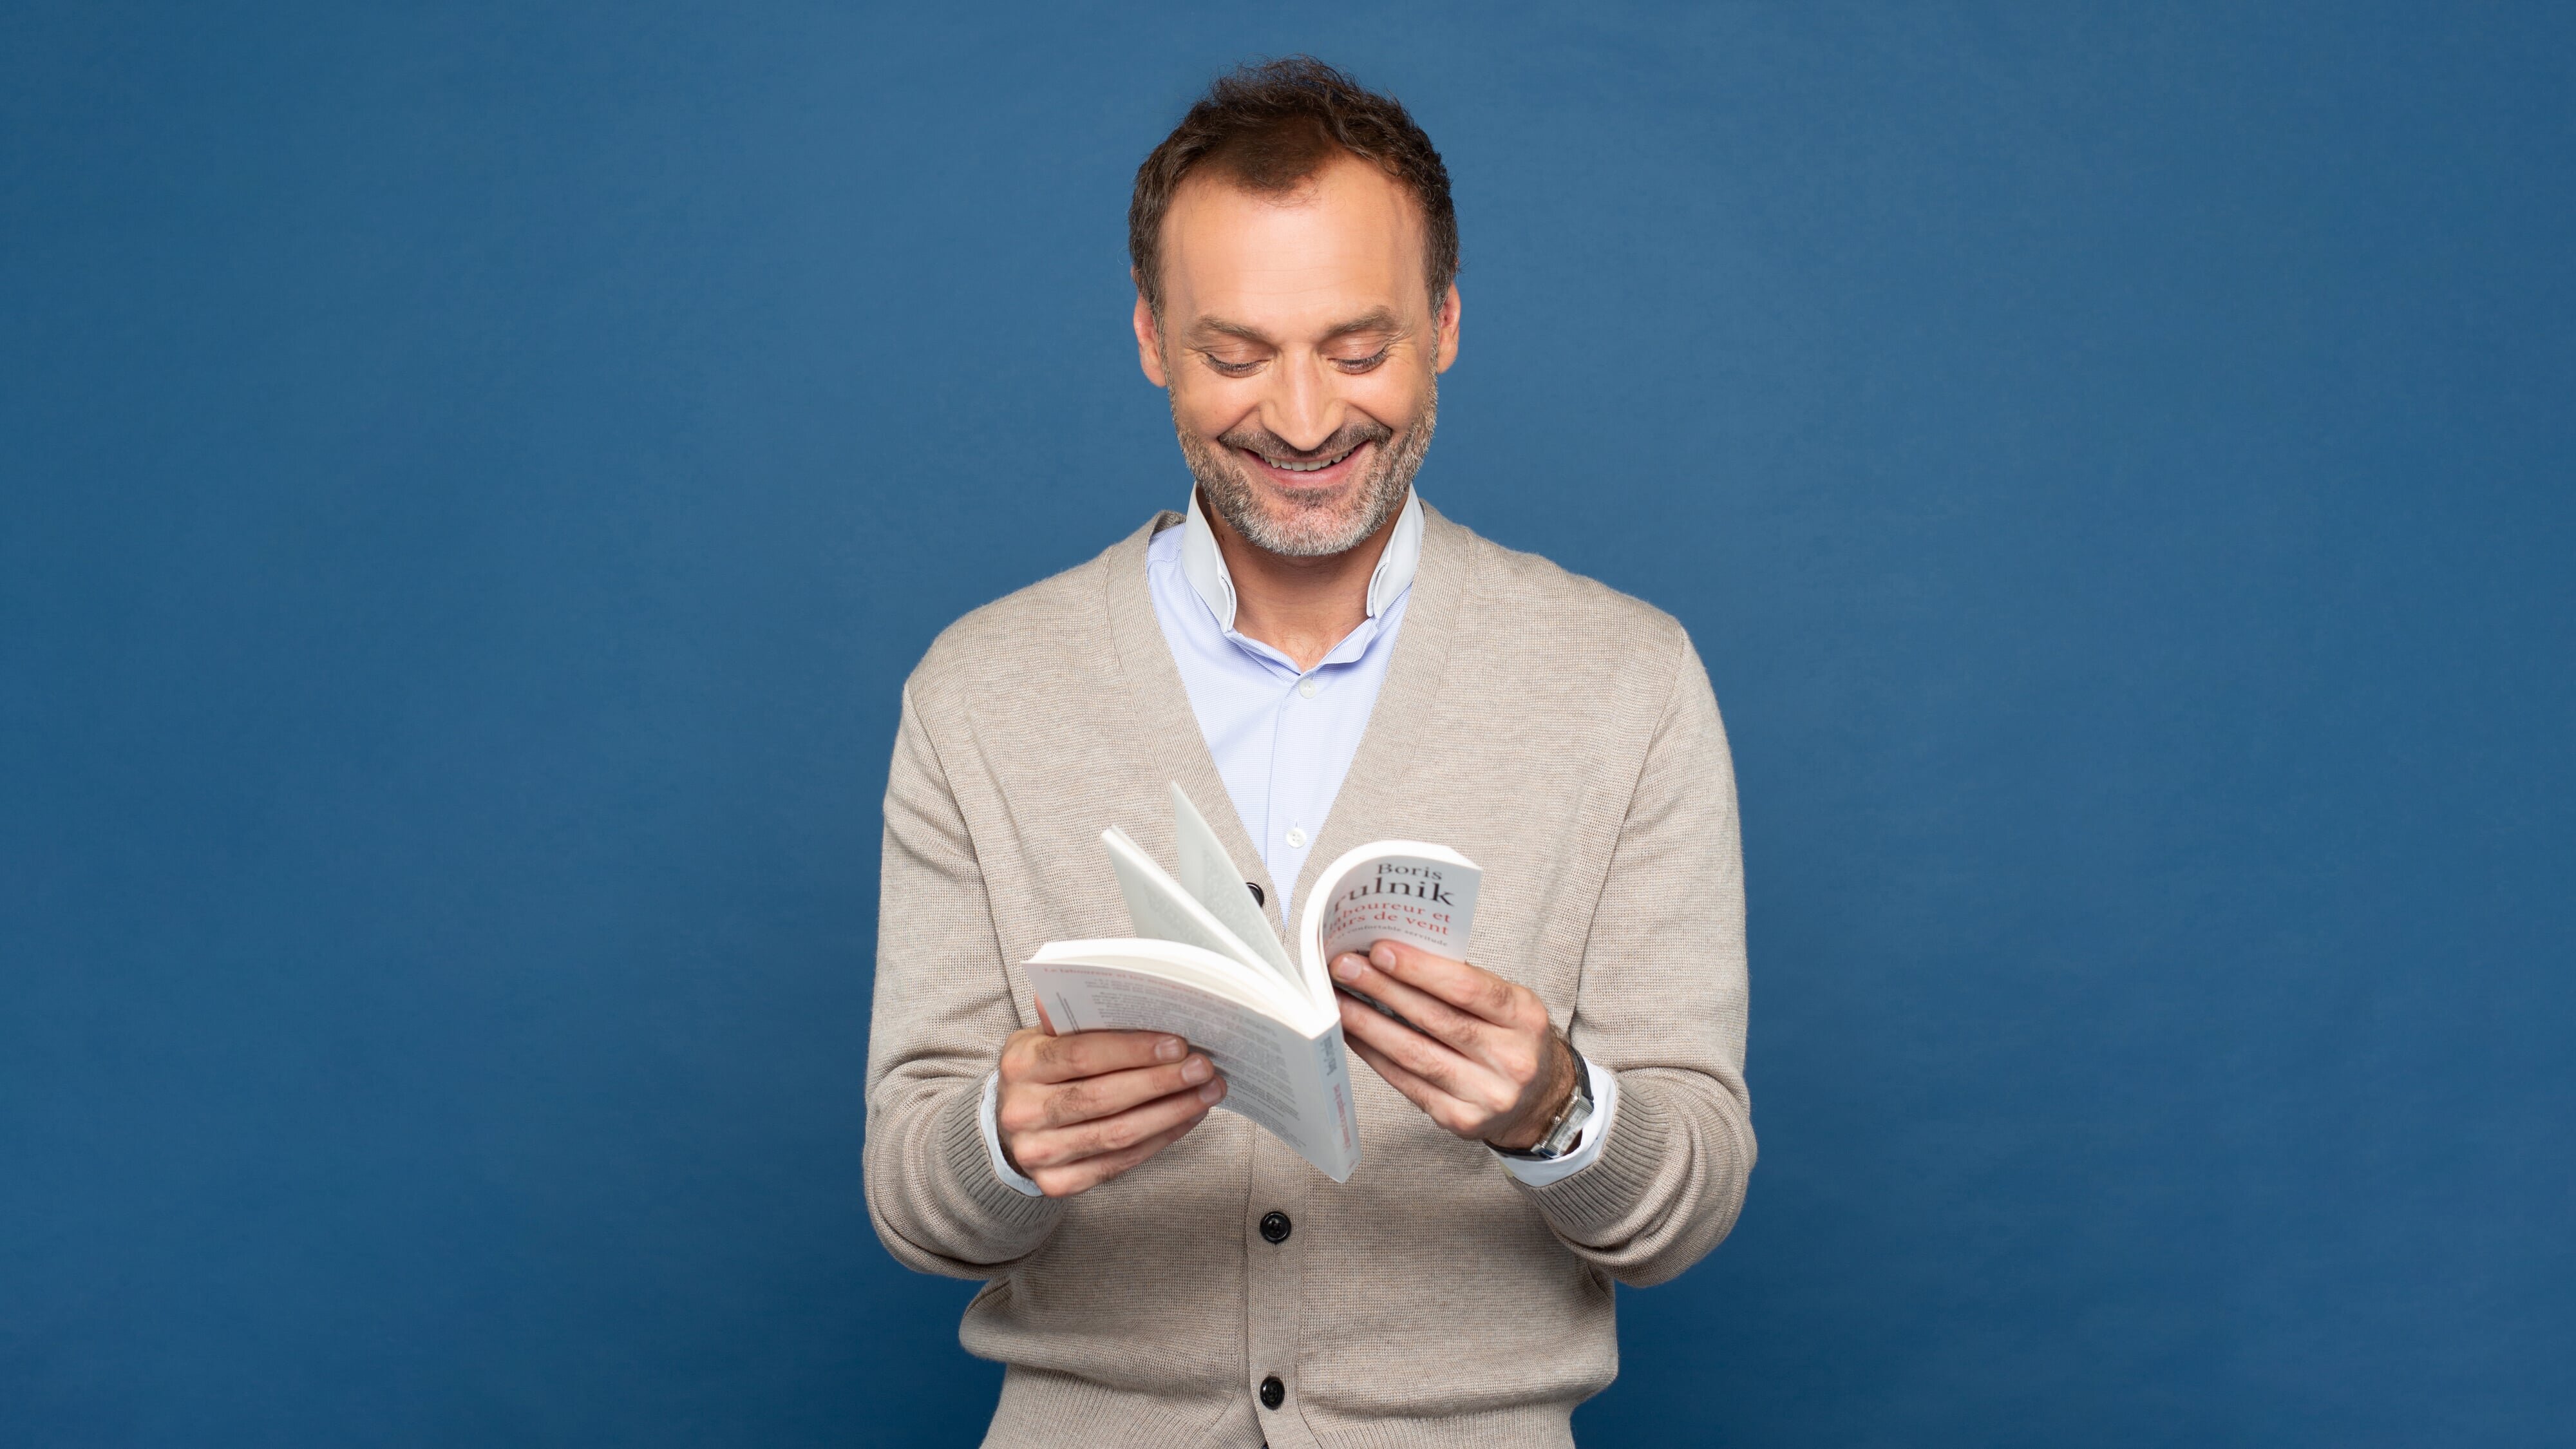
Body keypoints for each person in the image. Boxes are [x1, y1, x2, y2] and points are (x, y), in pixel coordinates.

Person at [864, 57, 1754, 1448]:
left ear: (1444, 324)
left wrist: (1556, 1115)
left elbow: (1686, 1202)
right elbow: (913, 1197)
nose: (1297, 420)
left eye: (1356, 350)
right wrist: (999, 1140)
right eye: (1233, 355)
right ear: (1151, 337)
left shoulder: (1626, 682)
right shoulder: (978, 691)